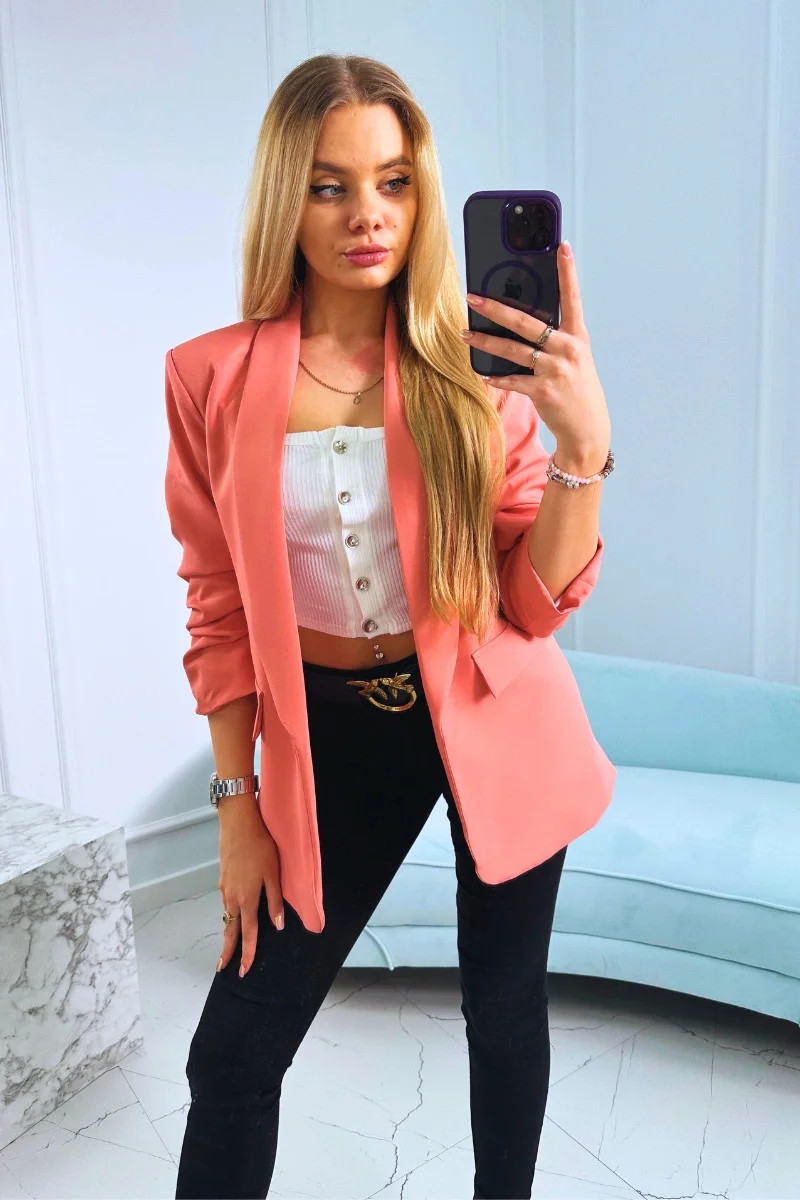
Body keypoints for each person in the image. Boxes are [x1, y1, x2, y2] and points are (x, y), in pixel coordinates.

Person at [165, 53, 614, 1200]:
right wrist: (236, 804)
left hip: (494, 714)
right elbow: (215, 602)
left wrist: (580, 450)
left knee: (501, 1015)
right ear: (285, 196)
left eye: (393, 180)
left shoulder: (475, 370)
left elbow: (532, 604)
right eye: (328, 185)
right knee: (233, 1052)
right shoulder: (208, 380)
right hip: (329, 736)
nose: (367, 213)